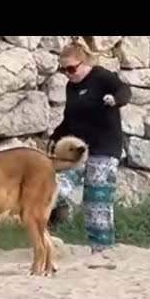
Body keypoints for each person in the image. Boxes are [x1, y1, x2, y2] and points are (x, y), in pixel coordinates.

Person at [48, 40, 131, 255]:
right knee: (55, 187)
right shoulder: (71, 86)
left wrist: (116, 99)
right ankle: (43, 237)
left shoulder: (101, 77)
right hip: (77, 149)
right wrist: (55, 136)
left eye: (72, 68)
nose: (68, 73)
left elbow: (124, 90)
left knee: (96, 199)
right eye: (63, 70)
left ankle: (102, 250)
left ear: (84, 63)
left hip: (104, 147)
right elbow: (69, 118)